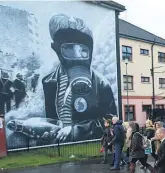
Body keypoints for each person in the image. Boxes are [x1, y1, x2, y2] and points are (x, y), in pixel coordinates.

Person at [42, 14, 117, 142]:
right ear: (57, 50)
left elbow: (110, 120)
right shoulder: (49, 82)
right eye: (69, 49)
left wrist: (77, 130)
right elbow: (51, 119)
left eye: (83, 50)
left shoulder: (101, 83)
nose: (77, 56)